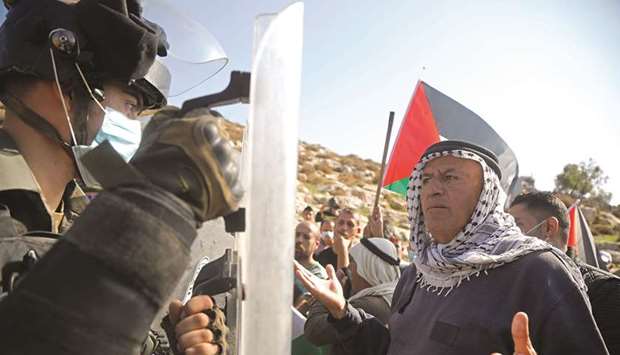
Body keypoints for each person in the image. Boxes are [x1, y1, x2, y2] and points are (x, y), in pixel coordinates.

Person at [0, 1, 238, 354]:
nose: (134, 126)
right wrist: (157, 219)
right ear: (66, 89)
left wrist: (175, 344)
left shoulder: (83, 213)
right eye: (129, 106)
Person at [295, 140, 608, 355]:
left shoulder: (538, 271)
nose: (432, 189)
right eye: (426, 179)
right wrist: (344, 312)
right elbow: (396, 348)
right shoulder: (419, 272)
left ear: (487, 195)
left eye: (449, 177)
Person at [508, 191, 620, 354]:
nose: (505, 235)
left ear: (549, 228)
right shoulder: (510, 286)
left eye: (515, 226)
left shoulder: (607, 294)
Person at [304, 237, 400, 355]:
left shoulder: (368, 305)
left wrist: (326, 294)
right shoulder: (394, 297)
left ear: (366, 269)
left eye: (353, 262)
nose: (348, 267)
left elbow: (314, 332)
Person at [294, 221, 327, 314]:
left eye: (306, 237)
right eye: (296, 235)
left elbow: (304, 304)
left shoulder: (319, 275)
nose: (299, 240)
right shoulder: (281, 264)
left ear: (316, 245)